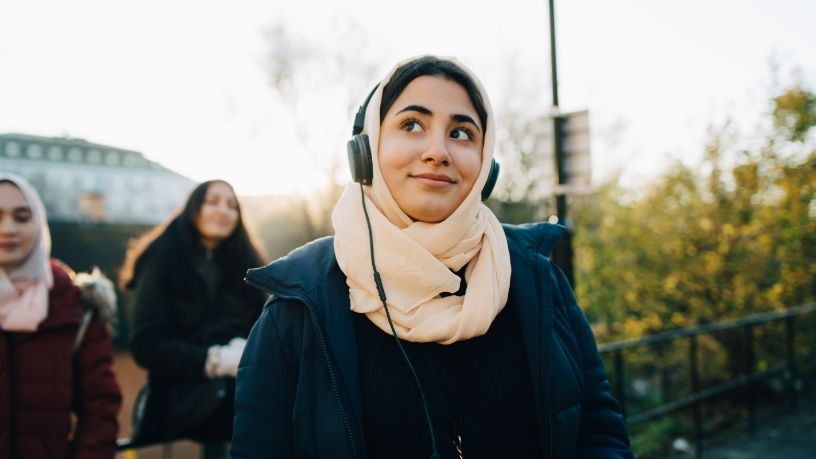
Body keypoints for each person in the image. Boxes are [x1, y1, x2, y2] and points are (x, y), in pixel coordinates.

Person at [232, 55, 633, 459]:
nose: (438, 151)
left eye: (461, 133)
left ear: (486, 165)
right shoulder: (298, 304)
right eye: (411, 125)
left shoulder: (538, 277)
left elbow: (598, 429)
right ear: (366, 150)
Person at [120, 180, 267, 456]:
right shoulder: (162, 260)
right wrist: (215, 360)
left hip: (238, 398)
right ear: (193, 208)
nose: (223, 211)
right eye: (213, 202)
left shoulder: (249, 266)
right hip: (176, 403)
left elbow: (264, 327)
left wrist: (247, 350)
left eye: (232, 206)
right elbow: (146, 345)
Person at [0, 173, 122, 458]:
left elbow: (101, 409)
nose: (8, 228)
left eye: (22, 217)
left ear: (39, 224)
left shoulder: (76, 304)